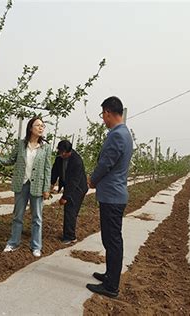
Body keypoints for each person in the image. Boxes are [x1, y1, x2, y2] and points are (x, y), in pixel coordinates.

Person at [86, 96, 133, 299]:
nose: (103, 120)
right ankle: (109, 275)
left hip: (112, 196)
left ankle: (112, 286)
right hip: (115, 195)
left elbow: (106, 163)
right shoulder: (124, 133)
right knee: (111, 239)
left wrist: (93, 180)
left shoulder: (117, 135)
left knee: (112, 240)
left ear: (107, 112)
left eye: (103, 115)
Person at [0, 117, 51, 257]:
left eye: (42, 126)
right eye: (38, 125)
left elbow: (47, 169)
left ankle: (36, 246)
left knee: (37, 218)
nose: (41, 128)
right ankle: (13, 243)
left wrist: (46, 188)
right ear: (30, 128)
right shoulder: (21, 144)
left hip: (37, 185)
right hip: (21, 184)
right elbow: (10, 160)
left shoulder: (45, 148)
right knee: (17, 216)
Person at [50, 140, 88, 244]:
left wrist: (65, 197)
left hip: (78, 188)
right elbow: (55, 170)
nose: (62, 154)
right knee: (69, 210)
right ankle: (68, 234)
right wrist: (51, 183)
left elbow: (73, 182)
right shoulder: (59, 157)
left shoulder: (76, 161)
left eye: (64, 153)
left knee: (70, 209)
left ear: (69, 151)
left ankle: (70, 237)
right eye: (60, 152)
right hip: (69, 185)